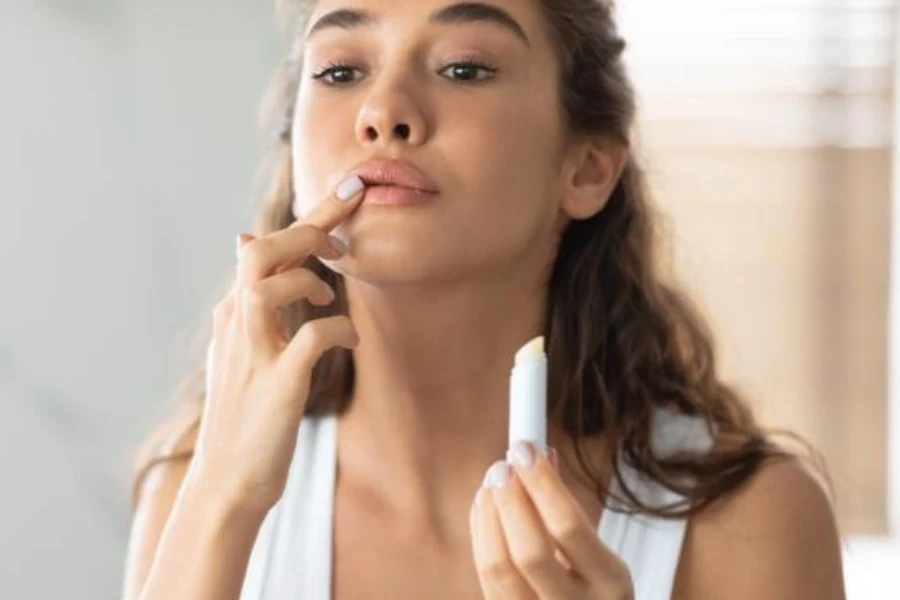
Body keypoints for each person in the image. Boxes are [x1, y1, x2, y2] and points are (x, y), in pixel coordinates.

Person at [122, 1, 847, 598]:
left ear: (587, 169)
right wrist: (221, 501)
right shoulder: (197, 489)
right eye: (341, 70)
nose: (383, 112)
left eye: (463, 68)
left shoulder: (750, 524)